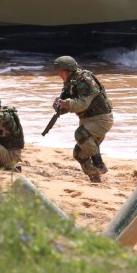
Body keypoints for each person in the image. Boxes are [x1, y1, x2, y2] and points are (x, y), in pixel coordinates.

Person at [52, 55, 114, 183]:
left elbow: (82, 104)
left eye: (60, 71)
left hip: (101, 119)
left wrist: (66, 103)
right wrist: (60, 106)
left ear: (68, 70)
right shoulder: (71, 82)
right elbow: (71, 104)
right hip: (88, 120)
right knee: (79, 154)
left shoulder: (85, 80)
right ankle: (95, 178)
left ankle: (99, 164)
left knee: (80, 133)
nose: (58, 74)